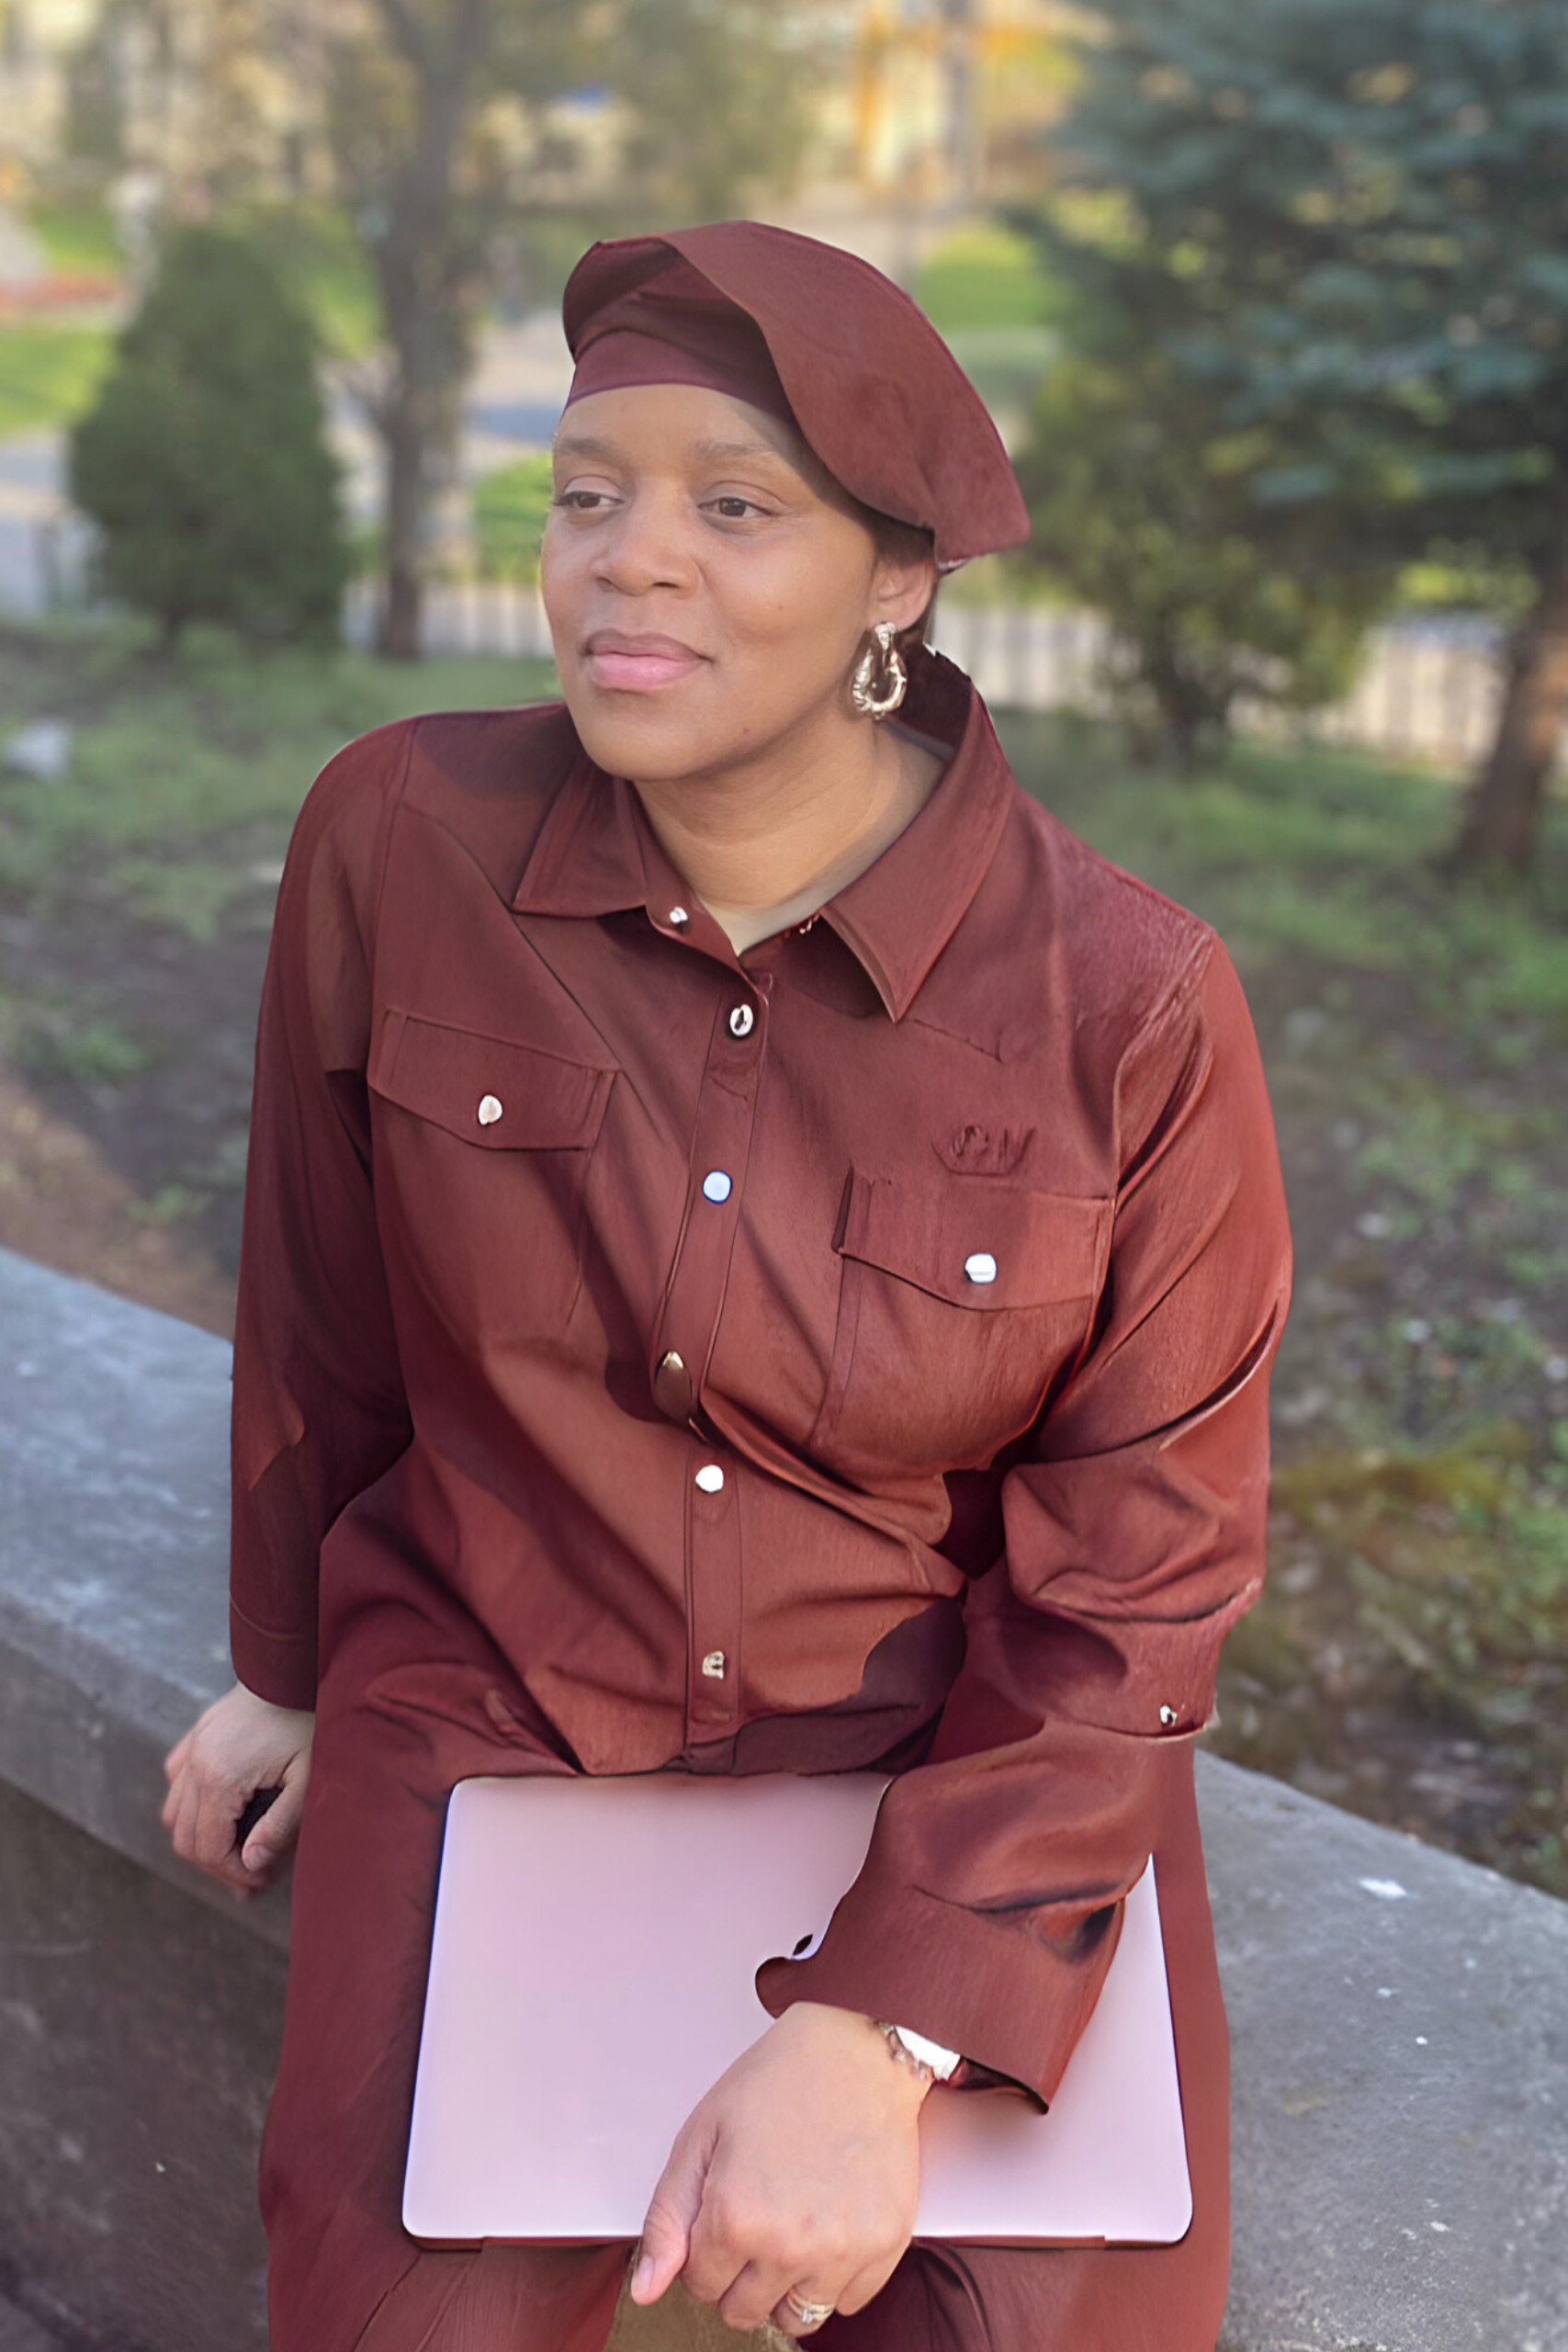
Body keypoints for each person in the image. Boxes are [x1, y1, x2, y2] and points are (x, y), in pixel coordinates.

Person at [162, 220, 1291, 2352]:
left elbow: (1139, 1576)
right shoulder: (398, 834)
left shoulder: (1127, 1003)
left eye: (731, 506)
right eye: (583, 496)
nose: (625, 560)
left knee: (1038, 2324)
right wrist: (290, 1659)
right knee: (402, 2309)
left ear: (897, 582)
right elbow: (317, 1303)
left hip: (939, 1758)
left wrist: (885, 2025)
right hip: (491, 1702)